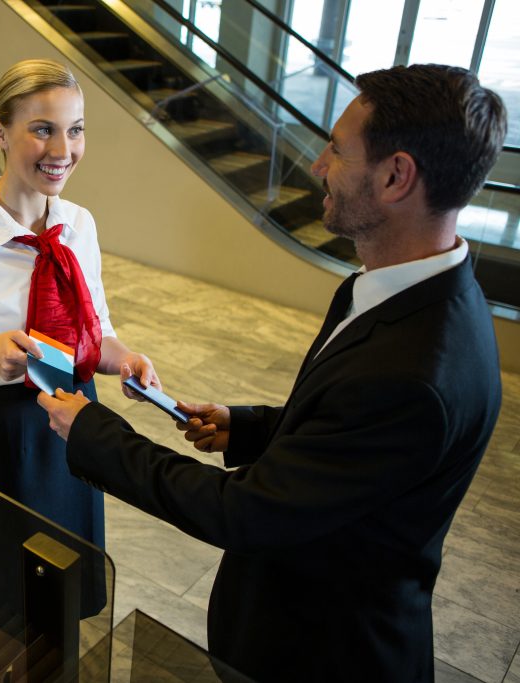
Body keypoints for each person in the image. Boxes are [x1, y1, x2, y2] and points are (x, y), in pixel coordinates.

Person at [38, 64, 507, 682]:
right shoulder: (405, 287)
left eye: (337, 151)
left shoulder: (416, 374)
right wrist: (251, 428)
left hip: (320, 652)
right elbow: (348, 432)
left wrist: (94, 432)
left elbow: (244, 514)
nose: (317, 166)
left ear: (396, 176)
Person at [0, 59, 160, 680]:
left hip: (76, 425)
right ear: (0, 131)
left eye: (76, 130)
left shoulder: (79, 225)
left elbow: (95, 337)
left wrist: (126, 359)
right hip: (8, 437)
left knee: (64, 590)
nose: (64, 149)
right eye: (43, 130)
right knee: (13, 599)